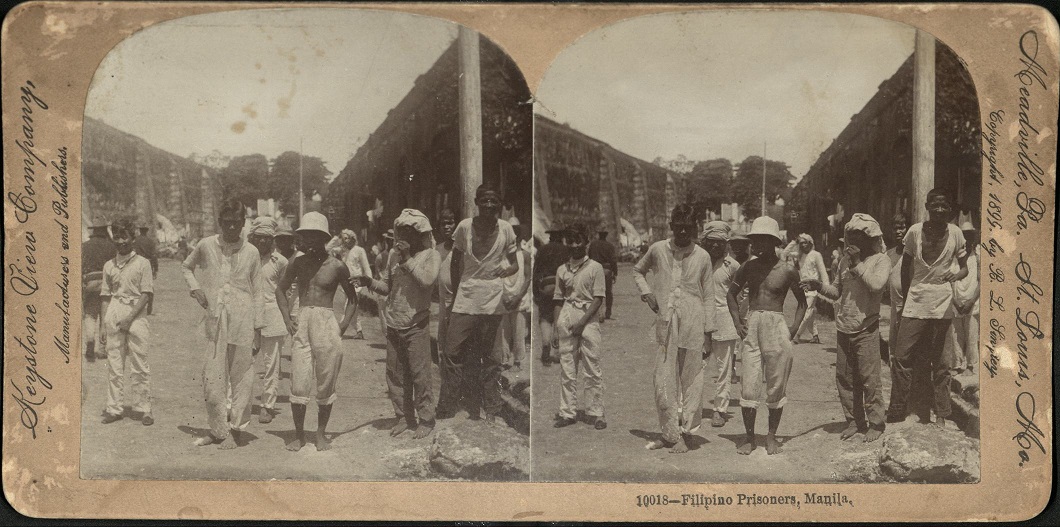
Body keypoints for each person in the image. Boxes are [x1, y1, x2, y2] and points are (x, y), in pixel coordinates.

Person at [182, 198, 263, 449]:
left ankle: (238, 431)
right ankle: (218, 431)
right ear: (219, 223)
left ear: (243, 223)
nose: (231, 229)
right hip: (215, 319)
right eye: (226, 223)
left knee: (242, 376)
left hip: (244, 319)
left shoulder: (252, 252)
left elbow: (258, 291)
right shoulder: (206, 245)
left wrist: (258, 330)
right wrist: (196, 289)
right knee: (213, 377)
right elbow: (186, 267)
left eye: (236, 224)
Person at [633, 204, 715, 454]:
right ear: (671, 226)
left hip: (694, 323)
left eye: (688, 228)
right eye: (678, 226)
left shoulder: (702, 256)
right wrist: (647, 294)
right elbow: (638, 271)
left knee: (691, 381)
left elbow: (709, 296)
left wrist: (708, 334)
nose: (682, 232)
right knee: (663, 380)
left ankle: (688, 434)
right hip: (666, 323)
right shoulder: (658, 249)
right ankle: (670, 434)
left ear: (695, 228)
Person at [802, 214, 891, 442]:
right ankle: (854, 421)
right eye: (849, 235)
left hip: (866, 328)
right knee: (845, 378)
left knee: (869, 379)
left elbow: (876, 285)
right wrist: (818, 286)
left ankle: (876, 423)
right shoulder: (842, 261)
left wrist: (857, 264)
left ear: (869, 237)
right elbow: (836, 291)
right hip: (844, 327)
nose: (851, 240)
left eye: (857, 236)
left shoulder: (881, 260)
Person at [436, 185, 520, 425]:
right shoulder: (464, 227)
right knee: (452, 352)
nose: (490, 206)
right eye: (485, 201)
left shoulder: (506, 230)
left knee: (491, 357)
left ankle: (491, 408)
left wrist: (506, 269)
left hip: (492, 299)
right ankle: (448, 406)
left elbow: (514, 264)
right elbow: (455, 263)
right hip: (465, 296)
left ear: (500, 204)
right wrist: (454, 297)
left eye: (494, 201)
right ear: (477, 202)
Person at [886, 189, 968, 428]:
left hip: (942, 304)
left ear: (950, 209)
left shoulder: (956, 233)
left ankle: (941, 413)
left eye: (944, 206)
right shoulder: (914, 232)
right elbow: (905, 269)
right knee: (902, 357)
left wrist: (955, 275)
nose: (940, 210)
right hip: (915, 301)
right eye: (935, 205)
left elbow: (965, 269)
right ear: (927, 206)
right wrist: (903, 303)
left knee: (942, 363)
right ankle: (899, 409)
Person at [274, 212, 356, 451]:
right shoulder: (297, 263)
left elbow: (352, 300)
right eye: (305, 237)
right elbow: (280, 290)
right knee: (299, 382)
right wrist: (287, 318)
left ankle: (320, 434)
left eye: (314, 237)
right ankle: (299, 435)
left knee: (326, 380)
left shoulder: (338, 266)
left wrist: (342, 325)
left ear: (323, 238)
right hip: (303, 321)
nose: (309, 242)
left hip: (326, 321)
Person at [727, 215, 807, 455]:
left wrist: (793, 329)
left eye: (763, 240)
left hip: (776, 324)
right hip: (752, 324)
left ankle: (771, 436)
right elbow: (731, 294)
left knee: (776, 383)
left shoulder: (788, 270)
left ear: (774, 242)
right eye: (755, 241)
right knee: (749, 386)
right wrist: (737, 322)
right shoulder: (748, 267)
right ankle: (750, 437)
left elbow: (802, 303)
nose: (758, 245)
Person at [358, 209, 441, 439]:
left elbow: (426, 282)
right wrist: (369, 282)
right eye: (401, 231)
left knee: (420, 374)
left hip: (416, 323)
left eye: (409, 232)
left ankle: (426, 419)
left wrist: (407, 259)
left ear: (420, 234)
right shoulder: (393, 257)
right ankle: (404, 417)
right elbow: (387, 287)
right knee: (395, 374)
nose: (403, 236)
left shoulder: (430, 256)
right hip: (395, 322)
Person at [99, 217, 155, 426]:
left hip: (136, 313)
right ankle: (114, 408)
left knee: (140, 364)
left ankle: (144, 408)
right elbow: (105, 296)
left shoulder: (143, 263)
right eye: (117, 236)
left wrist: (129, 319)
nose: (121, 241)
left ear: (133, 238)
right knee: (114, 364)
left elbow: (146, 294)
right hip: (114, 310)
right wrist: (105, 325)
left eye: (125, 236)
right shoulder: (108, 266)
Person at [551, 223, 607, 430]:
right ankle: (567, 412)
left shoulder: (595, 268)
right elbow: (558, 300)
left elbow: (598, 299)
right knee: (567, 367)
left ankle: (596, 412)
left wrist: (581, 323)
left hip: (588, 318)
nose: (574, 245)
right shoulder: (562, 269)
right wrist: (558, 328)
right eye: (570, 241)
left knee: (592, 367)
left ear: (586, 242)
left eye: (578, 241)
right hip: (567, 315)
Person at [248, 217, 289, 424]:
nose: (262, 242)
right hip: (247, 316)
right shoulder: (245, 257)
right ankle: (239, 404)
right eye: (258, 238)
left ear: (272, 240)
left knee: (271, 364)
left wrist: (291, 318)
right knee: (244, 361)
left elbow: (286, 293)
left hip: (272, 317)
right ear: (252, 238)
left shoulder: (280, 262)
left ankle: (267, 405)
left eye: (266, 238)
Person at [700, 221, 740, 427]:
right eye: (711, 242)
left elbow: (742, 296)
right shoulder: (697, 262)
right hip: (699, 322)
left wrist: (740, 321)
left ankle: (720, 409)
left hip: (725, 323)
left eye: (719, 243)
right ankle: (690, 408)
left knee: (724, 369)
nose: (715, 246)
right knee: (695, 366)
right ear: (705, 242)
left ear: (726, 244)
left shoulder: (733, 267)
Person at [495, 224, 533, 371]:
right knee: (504, 332)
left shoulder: (525, 255)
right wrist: (503, 296)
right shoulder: (500, 256)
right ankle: (504, 361)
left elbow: (528, 277)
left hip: (519, 298)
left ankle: (518, 362)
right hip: (503, 298)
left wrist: (518, 297)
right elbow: (497, 278)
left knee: (519, 332)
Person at [83, 219, 117, 362]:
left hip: (89, 281)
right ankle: (103, 349)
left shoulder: (84, 246)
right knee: (105, 316)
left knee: (90, 314)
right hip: (106, 283)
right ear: (104, 231)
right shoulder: (111, 246)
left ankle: (90, 341)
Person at [534, 228, 569, 365]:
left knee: (545, 318)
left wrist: (536, 292)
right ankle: (559, 350)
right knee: (561, 317)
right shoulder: (567, 250)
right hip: (562, 285)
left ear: (550, 237)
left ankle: (545, 345)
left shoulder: (543, 250)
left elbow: (536, 271)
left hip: (546, 284)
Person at [951, 222, 980, 374]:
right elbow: (948, 280)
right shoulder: (953, 255)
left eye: (969, 235)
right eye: (964, 235)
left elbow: (982, 281)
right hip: (956, 300)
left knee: (971, 335)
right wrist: (954, 301)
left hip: (972, 302)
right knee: (956, 335)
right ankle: (957, 365)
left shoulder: (978, 255)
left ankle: (970, 365)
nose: (966, 238)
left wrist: (971, 301)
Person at [792, 233, 829, 344]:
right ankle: (815, 335)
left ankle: (796, 336)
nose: (803, 245)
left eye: (805, 242)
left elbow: (823, 271)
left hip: (813, 288)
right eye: (801, 243)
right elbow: (785, 253)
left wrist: (826, 289)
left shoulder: (816, 255)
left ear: (810, 243)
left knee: (806, 313)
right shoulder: (800, 255)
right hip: (802, 288)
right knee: (810, 314)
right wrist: (795, 241)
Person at [436, 209, 457, 364]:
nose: (447, 227)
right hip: (443, 301)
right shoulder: (438, 249)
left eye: (450, 223)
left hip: (458, 301)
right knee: (443, 339)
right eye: (443, 224)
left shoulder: (461, 248)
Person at [342, 229, 373, 340]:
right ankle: (359, 331)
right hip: (346, 284)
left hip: (357, 284)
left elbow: (366, 267)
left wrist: (370, 283)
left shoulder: (359, 250)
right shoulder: (344, 251)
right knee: (353, 309)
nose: (344, 240)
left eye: (346, 238)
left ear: (352, 238)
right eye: (343, 238)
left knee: (347, 306)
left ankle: (339, 331)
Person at [587, 230, 619, 321]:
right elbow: (613, 260)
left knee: (595, 292)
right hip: (606, 270)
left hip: (594, 269)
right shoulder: (610, 245)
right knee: (608, 292)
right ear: (606, 236)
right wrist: (615, 273)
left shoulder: (593, 244)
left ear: (598, 235)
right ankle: (608, 313)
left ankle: (598, 313)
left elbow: (589, 256)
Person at [134, 225, 159, 315]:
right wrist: (155, 269)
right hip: (148, 264)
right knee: (148, 287)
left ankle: (137, 308)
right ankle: (149, 308)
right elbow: (154, 255)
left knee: (136, 286)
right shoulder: (150, 241)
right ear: (147, 231)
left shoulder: (135, 241)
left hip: (136, 263)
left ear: (140, 230)